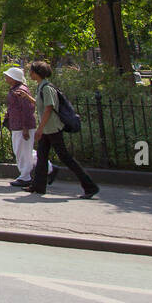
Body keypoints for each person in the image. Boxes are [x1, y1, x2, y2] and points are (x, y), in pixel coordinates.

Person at [26, 60, 99, 199]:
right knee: (42, 157)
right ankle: (38, 186)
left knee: (65, 157)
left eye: (31, 71)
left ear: (37, 73)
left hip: (52, 128)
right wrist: (27, 97)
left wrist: (39, 129)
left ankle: (90, 187)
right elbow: (42, 105)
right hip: (47, 129)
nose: (30, 73)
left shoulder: (47, 88)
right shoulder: (40, 87)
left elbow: (48, 108)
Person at [3, 67, 52, 188]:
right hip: (17, 125)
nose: (6, 78)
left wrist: (25, 127)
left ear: (14, 78)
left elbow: (27, 109)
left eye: (8, 76)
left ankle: (25, 177)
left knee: (21, 151)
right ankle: (49, 167)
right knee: (25, 150)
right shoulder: (15, 89)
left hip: (22, 126)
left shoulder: (20, 90)